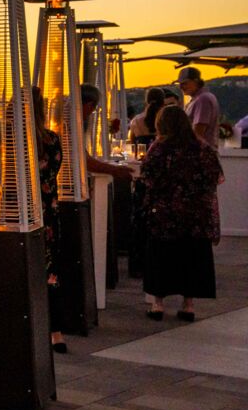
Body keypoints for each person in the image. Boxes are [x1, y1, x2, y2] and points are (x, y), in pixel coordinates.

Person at [141, 105, 223, 321]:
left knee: (160, 256)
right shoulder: (202, 148)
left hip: (165, 214)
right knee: (192, 257)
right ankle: (188, 305)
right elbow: (214, 178)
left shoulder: (159, 148)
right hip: (196, 216)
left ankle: (158, 304)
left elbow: (148, 176)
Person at [32, 87, 68, 353]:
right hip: (48, 213)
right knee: (51, 273)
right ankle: (56, 332)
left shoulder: (9, 142)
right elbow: (52, 175)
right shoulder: (52, 140)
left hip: (18, 216)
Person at [79, 84, 133, 181]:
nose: (92, 111)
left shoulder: (72, 124)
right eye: (93, 106)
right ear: (89, 105)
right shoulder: (70, 127)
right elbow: (84, 161)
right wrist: (114, 170)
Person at [174, 67, 220, 146]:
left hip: (200, 153)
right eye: (180, 84)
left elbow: (198, 132)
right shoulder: (200, 98)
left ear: (196, 81)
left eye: (185, 83)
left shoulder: (202, 100)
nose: (181, 87)